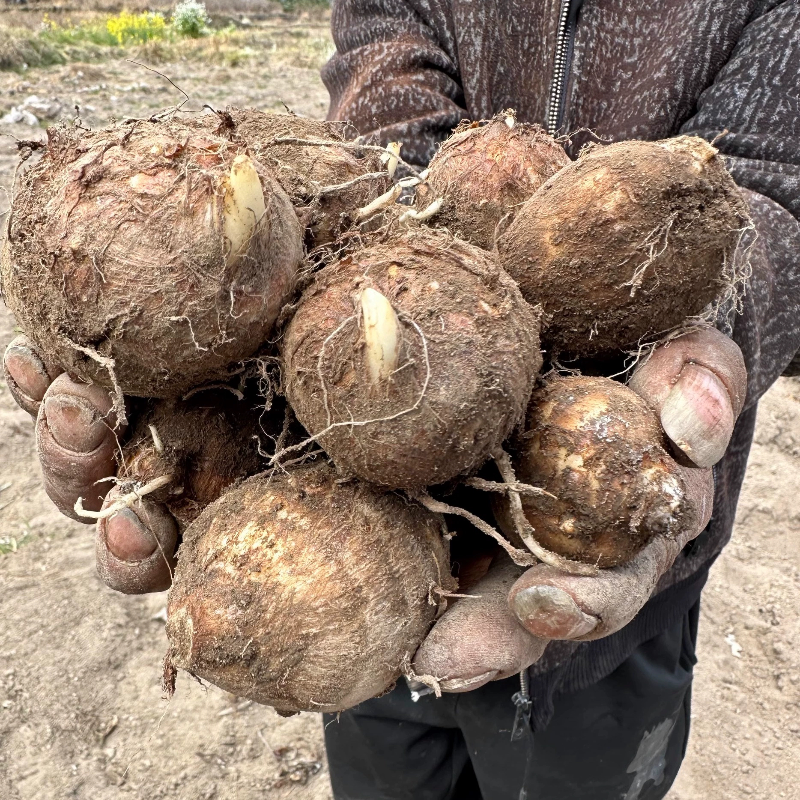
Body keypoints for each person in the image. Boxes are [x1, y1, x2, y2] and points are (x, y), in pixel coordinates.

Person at [3, 1, 799, 798]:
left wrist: (699, 336)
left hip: (620, 625)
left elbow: (773, 188)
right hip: (368, 601)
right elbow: (387, 103)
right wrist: (375, 231)